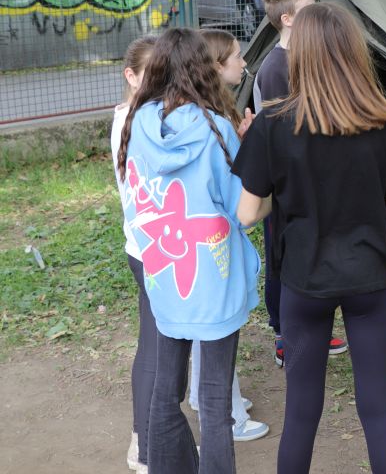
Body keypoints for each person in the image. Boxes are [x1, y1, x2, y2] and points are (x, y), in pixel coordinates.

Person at [233, 2, 386, 474]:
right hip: (370, 278)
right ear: (354, 51)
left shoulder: (273, 124)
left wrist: (282, 188)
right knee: (378, 411)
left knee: (301, 413)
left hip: (303, 281)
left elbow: (247, 214)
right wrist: (381, 261)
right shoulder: (384, 120)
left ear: (301, 53)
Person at [117, 27, 261, 474]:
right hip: (214, 278)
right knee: (215, 401)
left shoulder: (138, 123)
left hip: (163, 273)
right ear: (204, 70)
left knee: (166, 391)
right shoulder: (217, 128)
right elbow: (244, 213)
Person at [175, 28, 267, 443]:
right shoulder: (214, 124)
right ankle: (230, 416)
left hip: (184, 242)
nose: (244, 63)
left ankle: (202, 396)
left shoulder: (177, 116)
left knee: (202, 328)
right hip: (215, 243)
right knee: (219, 331)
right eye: (237, 56)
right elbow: (240, 208)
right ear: (214, 66)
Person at [252, 0, 348, 365]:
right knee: (282, 256)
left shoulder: (307, 57)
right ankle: (283, 333)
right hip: (283, 185)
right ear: (289, 19)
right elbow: (280, 132)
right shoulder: (276, 67)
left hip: (312, 179)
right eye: (310, 7)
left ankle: (312, 326)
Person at [112, 36, 156, 474]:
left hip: (149, 248)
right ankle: (144, 444)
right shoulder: (137, 118)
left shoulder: (138, 114)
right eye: (154, 74)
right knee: (156, 348)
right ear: (131, 75)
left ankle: (152, 436)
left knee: (159, 345)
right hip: (151, 251)